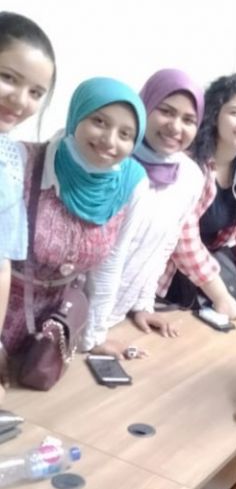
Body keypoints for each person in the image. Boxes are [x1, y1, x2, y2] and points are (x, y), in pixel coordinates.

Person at [2, 76, 146, 359]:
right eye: (100, 122)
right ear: (77, 114)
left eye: (125, 134)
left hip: (58, 327)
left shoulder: (131, 184)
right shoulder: (23, 160)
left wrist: (93, 337)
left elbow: (110, 266)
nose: (109, 140)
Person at [81, 68, 205, 357]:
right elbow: (106, 255)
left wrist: (143, 305)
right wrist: (93, 334)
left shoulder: (190, 177)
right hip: (70, 315)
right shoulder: (108, 158)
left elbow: (163, 246)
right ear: (144, 107)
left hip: (115, 321)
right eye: (165, 111)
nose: (176, 127)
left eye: (189, 120)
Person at [157, 73, 236, 319]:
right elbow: (182, 239)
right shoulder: (189, 161)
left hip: (207, 268)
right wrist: (221, 296)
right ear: (215, 114)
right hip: (169, 273)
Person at [0, 11, 56, 398]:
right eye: (8, 78)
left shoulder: (11, 158)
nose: (20, 101)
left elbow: (2, 260)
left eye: (36, 92)